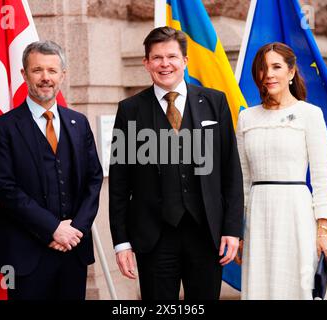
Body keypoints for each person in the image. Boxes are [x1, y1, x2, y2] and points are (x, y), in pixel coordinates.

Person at [108, 26, 244, 300]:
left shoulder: (215, 102)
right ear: (146, 63)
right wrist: (121, 242)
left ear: (185, 60)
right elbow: (119, 182)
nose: (164, 64)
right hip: (153, 237)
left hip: (206, 234)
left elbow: (231, 171)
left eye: (171, 56)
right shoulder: (130, 110)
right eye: (157, 58)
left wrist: (232, 228)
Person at [0, 40, 103, 300]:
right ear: (24, 74)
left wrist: (75, 231)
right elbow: (3, 188)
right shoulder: (2, 127)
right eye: (37, 70)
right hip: (24, 252)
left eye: (52, 70)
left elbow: (93, 181)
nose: (45, 78)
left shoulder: (79, 123)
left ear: (63, 75)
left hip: (73, 249)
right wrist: (53, 229)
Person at [236, 42, 327, 299]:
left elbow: (323, 176)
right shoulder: (246, 118)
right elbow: (243, 179)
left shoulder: (310, 114)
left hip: (297, 216)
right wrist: (239, 230)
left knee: (299, 288)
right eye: (262, 68)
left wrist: (322, 231)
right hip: (257, 219)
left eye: (276, 67)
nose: (268, 74)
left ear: (291, 72)